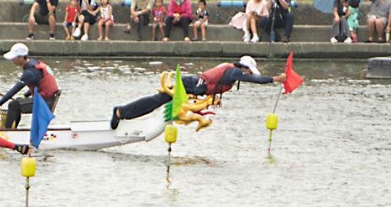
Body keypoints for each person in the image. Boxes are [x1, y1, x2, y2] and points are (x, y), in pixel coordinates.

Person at [111, 56, 287, 127]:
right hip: (187, 85)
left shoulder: (231, 72)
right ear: (245, 68)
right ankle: (120, 112)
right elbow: (255, 80)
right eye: (249, 72)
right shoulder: (234, 71)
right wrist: (275, 79)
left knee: (156, 101)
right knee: (156, 101)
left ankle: (122, 113)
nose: (248, 75)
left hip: (191, 89)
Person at [0, 42, 60, 129]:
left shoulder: (29, 72)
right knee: (17, 102)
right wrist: (24, 96)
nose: (12, 60)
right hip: (47, 100)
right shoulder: (34, 63)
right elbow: (38, 85)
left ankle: (8, 130)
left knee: (13, 105)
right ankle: (13, 129)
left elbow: (15, 89)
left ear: (21, 57)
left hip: (44, 103)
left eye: (13, 57)